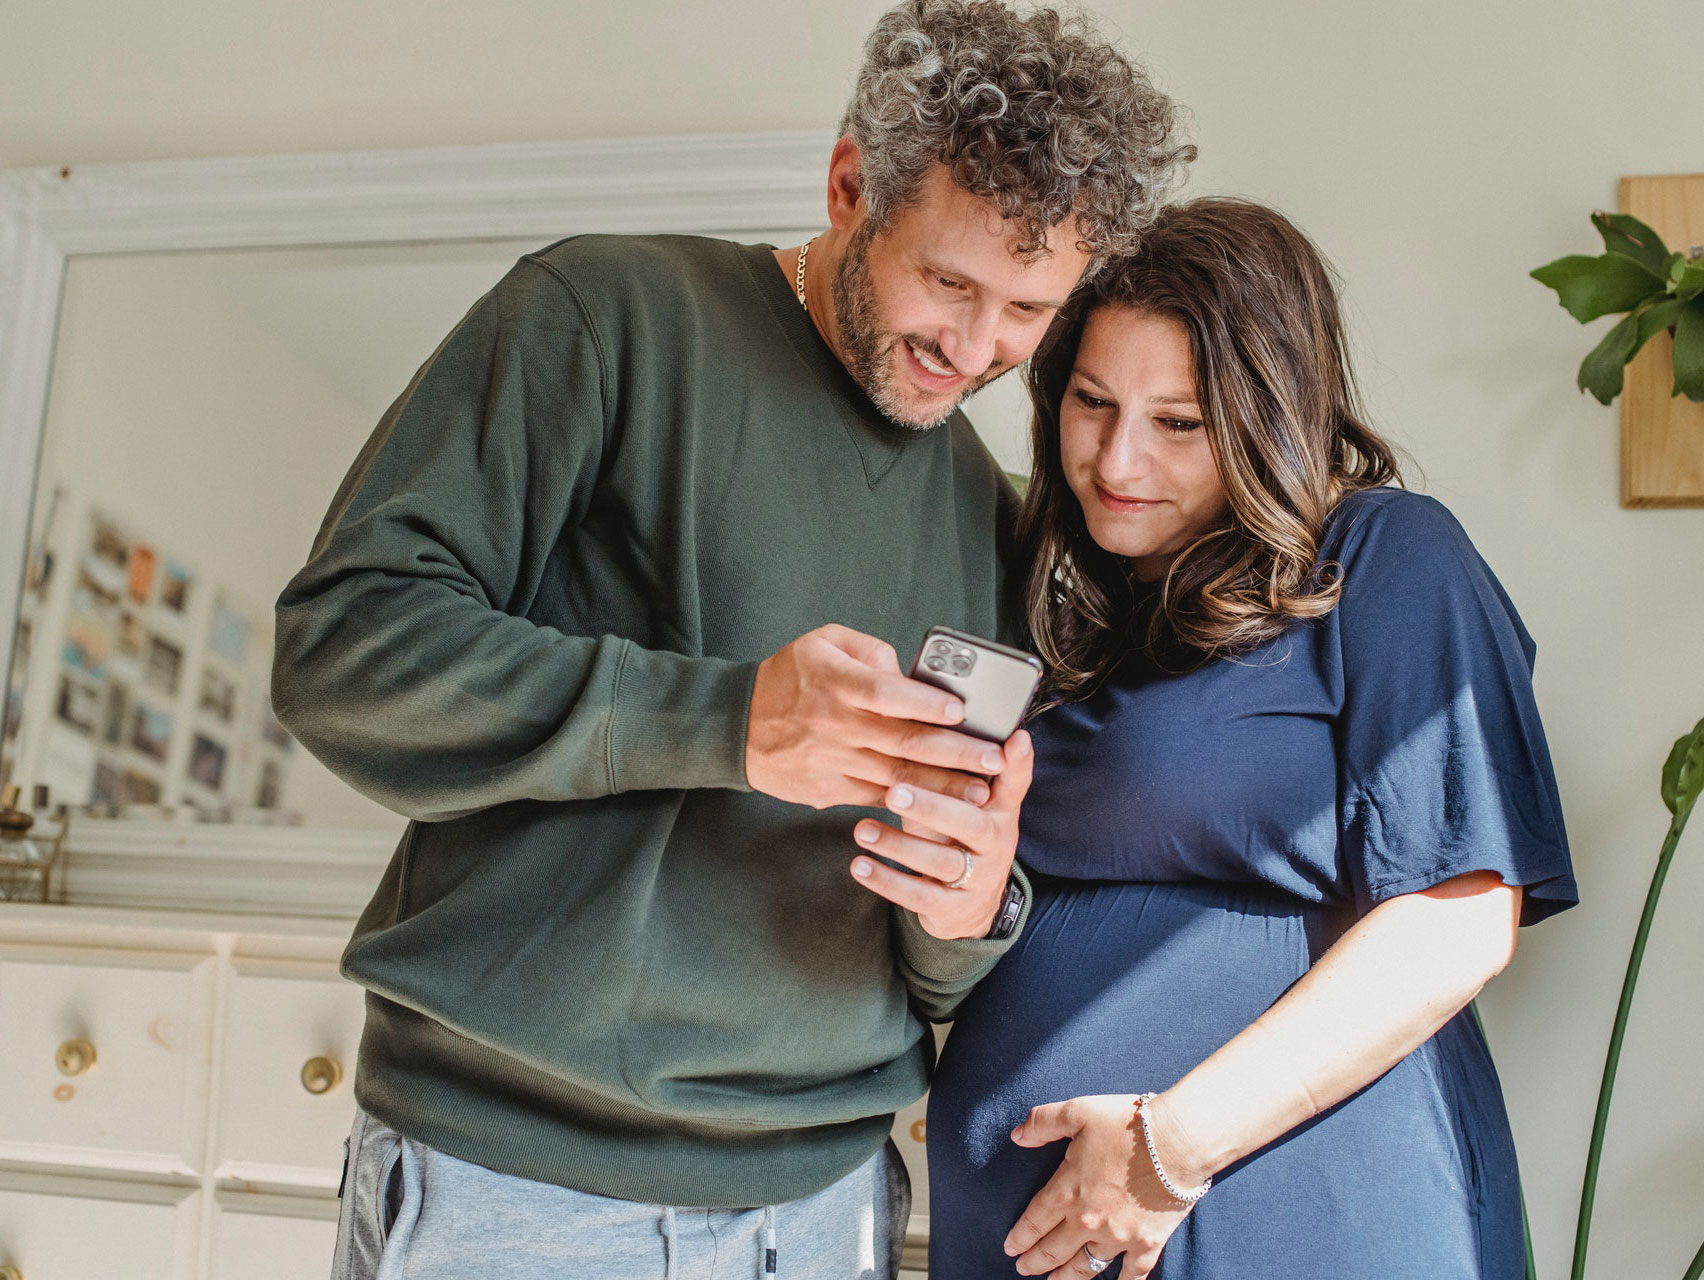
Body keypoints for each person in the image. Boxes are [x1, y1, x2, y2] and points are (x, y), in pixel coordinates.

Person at [270, 3, 1192, 1276]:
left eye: (1028, 309)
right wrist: (727, 721)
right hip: (516, 1187)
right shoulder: (604, 317)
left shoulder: (998, 523)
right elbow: (343, 648)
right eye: (948, 281)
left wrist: (973, 904)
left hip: (826, 1205)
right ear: (847, 185)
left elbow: (934, 964)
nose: (975, 349)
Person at [925, 197, 1577, 1279]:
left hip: (1294, 1206)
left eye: (1178, 423)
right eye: (1091, 402)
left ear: (1269, 417)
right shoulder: (1044, 597)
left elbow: (1458, 921)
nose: (1117, 457)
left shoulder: (1381, 561)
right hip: (1024, 1235)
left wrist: (1164, 1150)